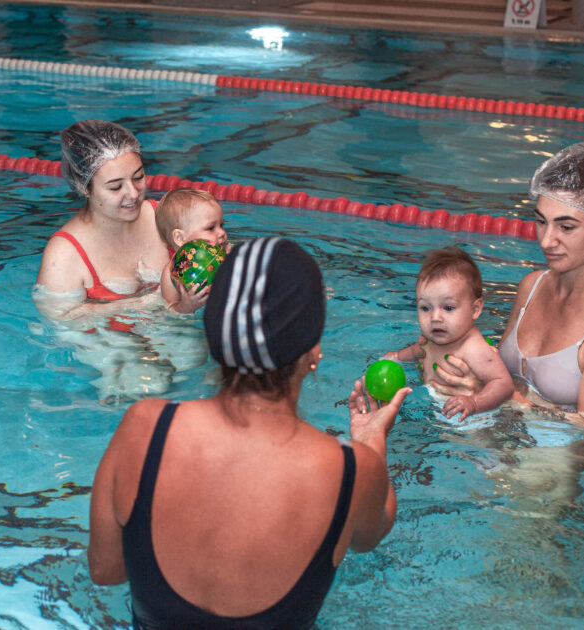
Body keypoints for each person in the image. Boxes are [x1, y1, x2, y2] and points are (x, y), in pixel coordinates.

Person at [88, 237, 410, 628]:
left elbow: (107, 571)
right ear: (314, 352)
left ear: (214, 335)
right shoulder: (349, 471)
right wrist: (371, 438)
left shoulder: (145, 429)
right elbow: (370, 534)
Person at [432, 140, 584, 429]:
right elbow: (498, 372)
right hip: (498, 436)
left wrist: (500, 396)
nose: (546, 241)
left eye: (566, 227)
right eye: (541, 222)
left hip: (552, 464)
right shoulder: (531, 286)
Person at [34, 119, 171, 320]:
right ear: (83, 187)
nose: (133, 193)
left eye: (139, 177)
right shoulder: (64, 255)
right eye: (115, 187)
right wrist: (139, 304)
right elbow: (63, 324)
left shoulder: (162, 216)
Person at [384, 246, 512, 421]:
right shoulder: (429, 340)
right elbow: (414, 352)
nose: (435, 317)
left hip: (468, 418)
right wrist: (395, 357)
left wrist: (474, 403)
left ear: (475, 309)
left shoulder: (474, 349)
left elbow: (503, 384)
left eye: (448, 307)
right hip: (434, 408)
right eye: (425, 308)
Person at [154, 187, 230, 314]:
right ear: (180, 238)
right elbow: (170, 311)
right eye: (211, 228)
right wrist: (187, 306)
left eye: (221, 225)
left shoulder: (219, 256)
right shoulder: (172, 275)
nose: (222, 233)